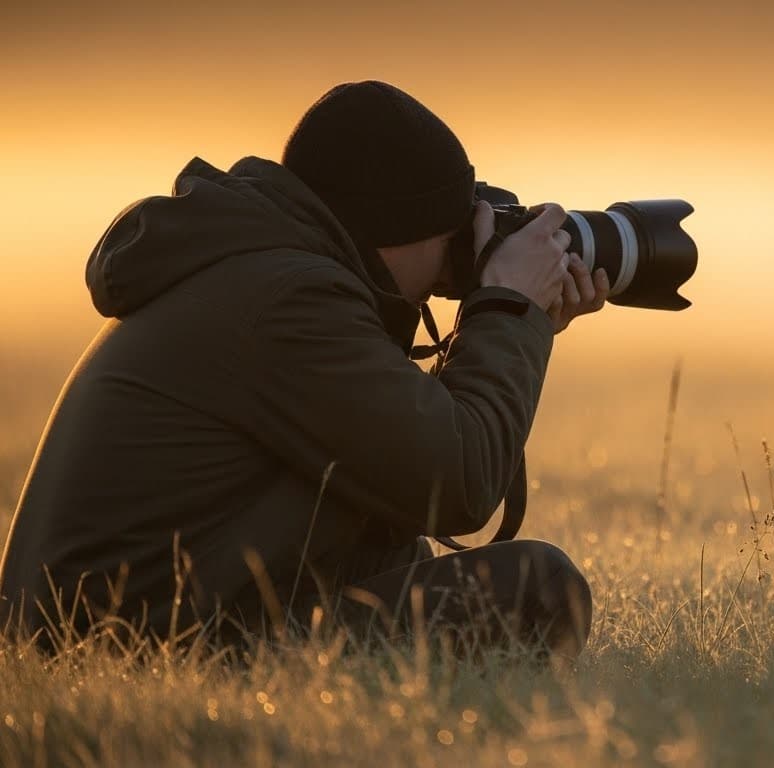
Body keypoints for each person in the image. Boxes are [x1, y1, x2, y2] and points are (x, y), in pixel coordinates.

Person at [0, 80, 600, 661]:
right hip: (135, 655)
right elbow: (460, 482)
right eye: (451, 236)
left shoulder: (250, 267)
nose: (455, 263)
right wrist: (506, 309)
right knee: (534, 589)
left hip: (126, 628)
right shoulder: (289, 300)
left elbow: (395, 481)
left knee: (393, 559)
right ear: (401, 230)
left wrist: (515, 317)